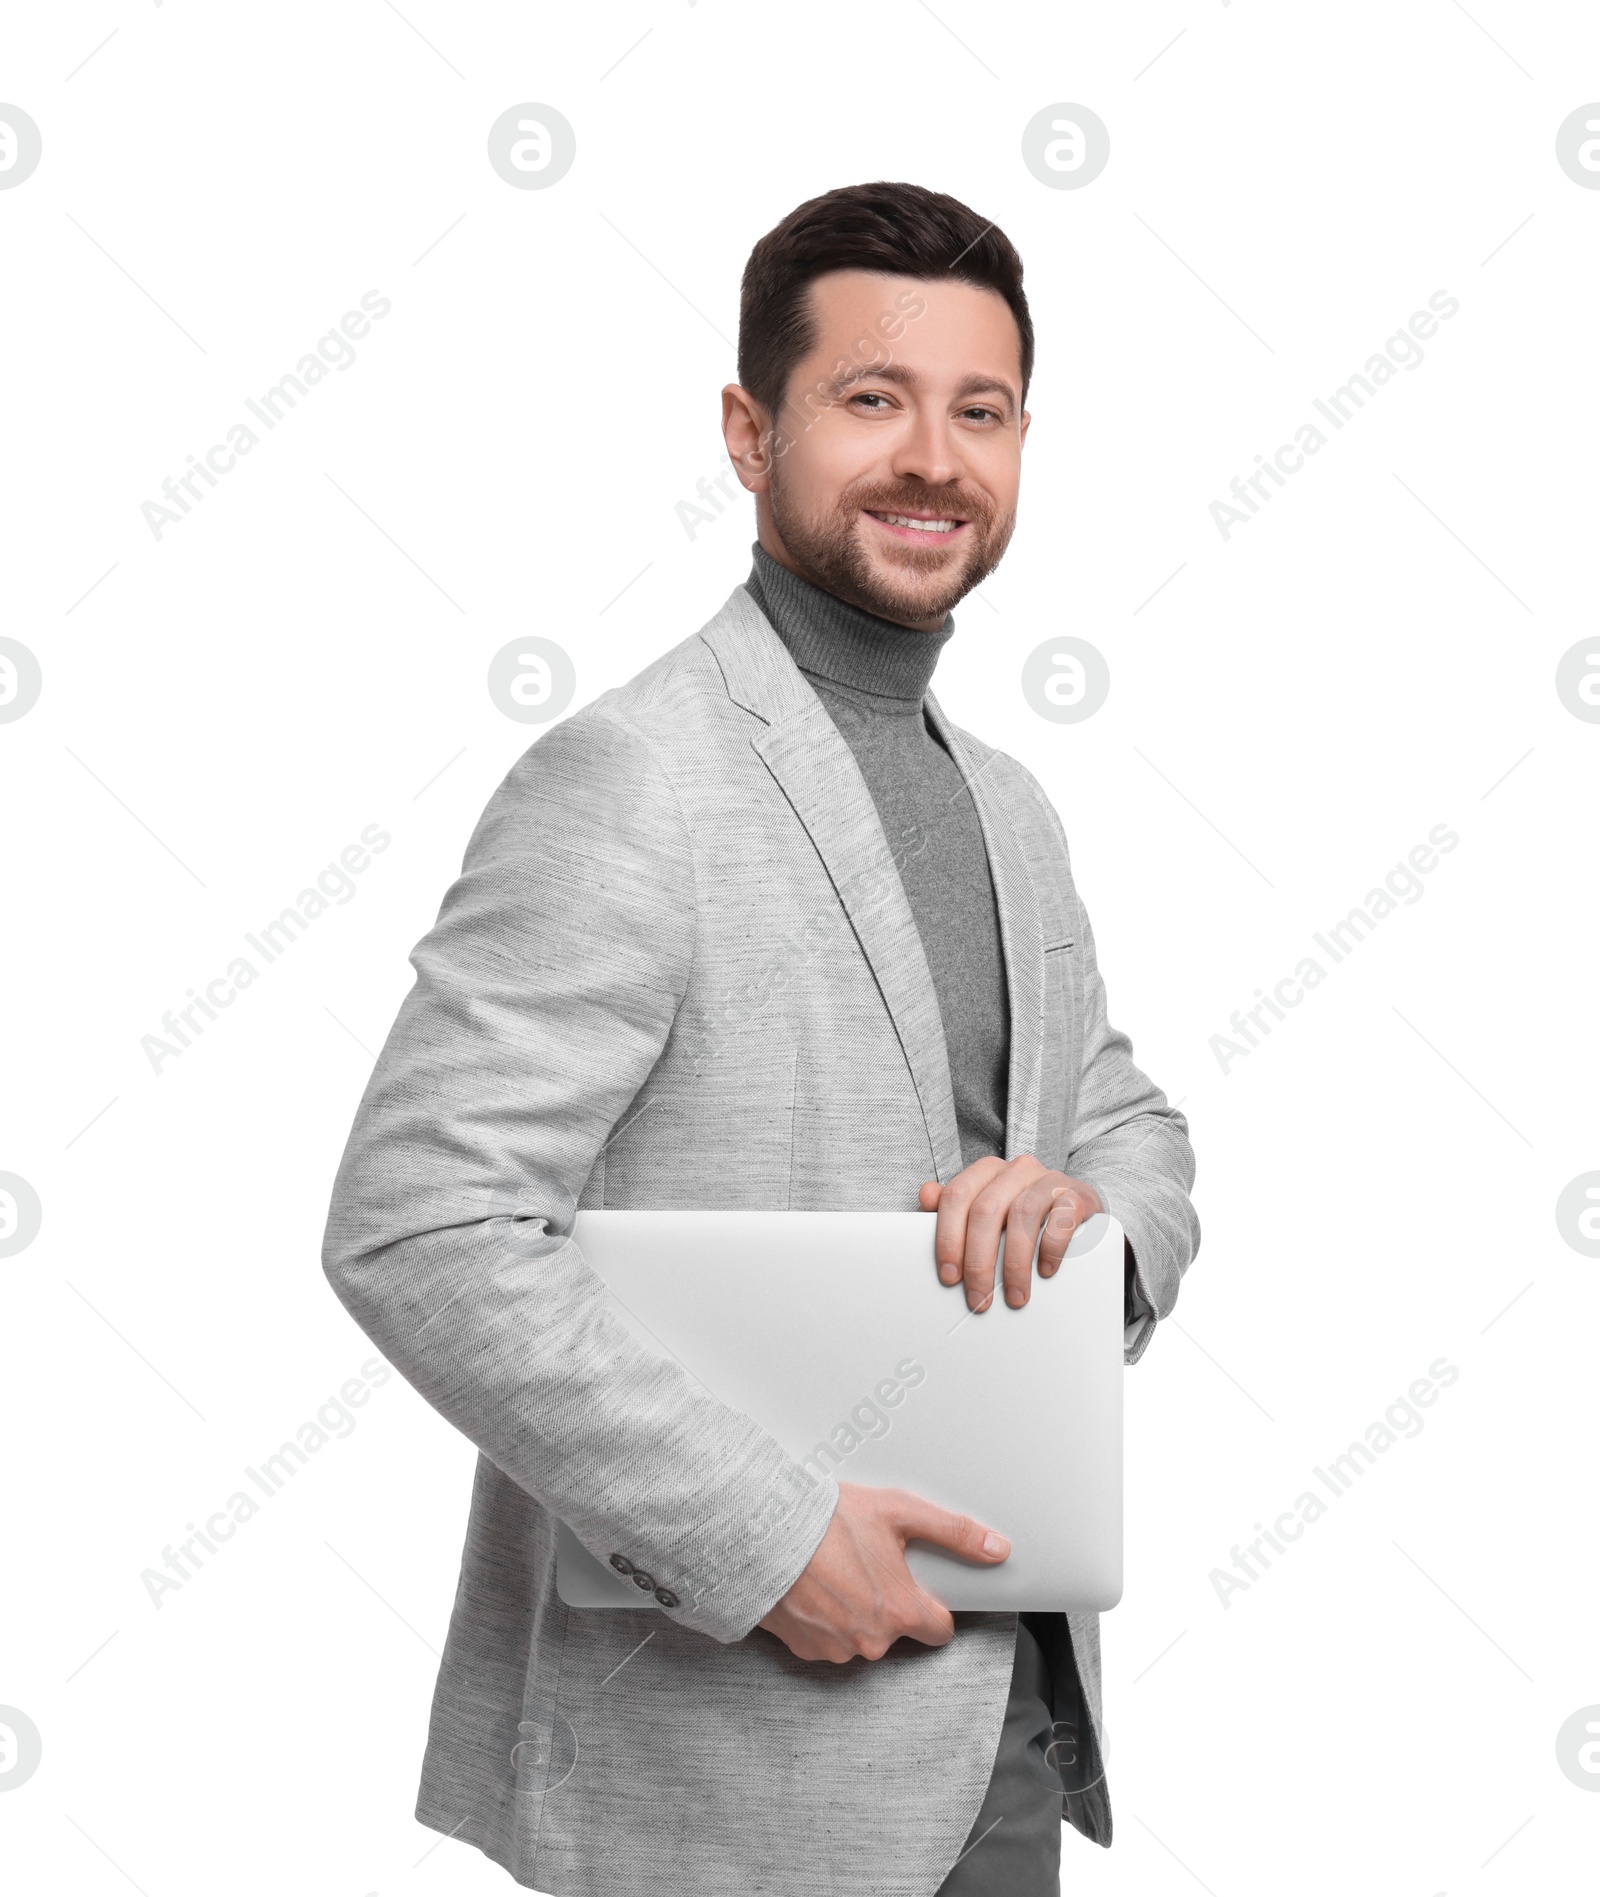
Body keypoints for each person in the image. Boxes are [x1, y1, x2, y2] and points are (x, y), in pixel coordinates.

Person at [322, 179, 1199, 1897]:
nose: (934, 457)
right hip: (729, 1779)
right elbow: (421, 1225)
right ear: (748, 430)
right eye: (872, 399)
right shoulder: (633, 781)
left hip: (1002, 1727)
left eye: (982, 409)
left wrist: (1099, 1228)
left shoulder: (1007, 804)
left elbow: (1126, 1115)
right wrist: (767, 1530)